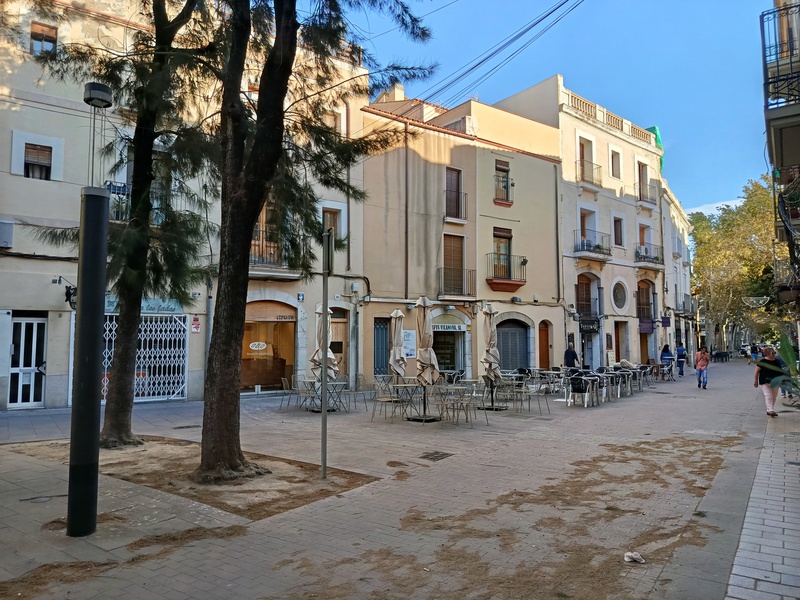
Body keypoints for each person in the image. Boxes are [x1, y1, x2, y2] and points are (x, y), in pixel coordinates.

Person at [754, 346, 781, 417]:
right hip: (765, 382)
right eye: (772, 353)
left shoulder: (777, 361)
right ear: (767, 353)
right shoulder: (762, 362)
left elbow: (780, 371)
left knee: (774, 396)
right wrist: (756, 381)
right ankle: (771, 410)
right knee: (768, 395)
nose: (774, 354)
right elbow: (756, 371)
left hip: (775, 381)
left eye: (774, 353)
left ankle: (769, 410)